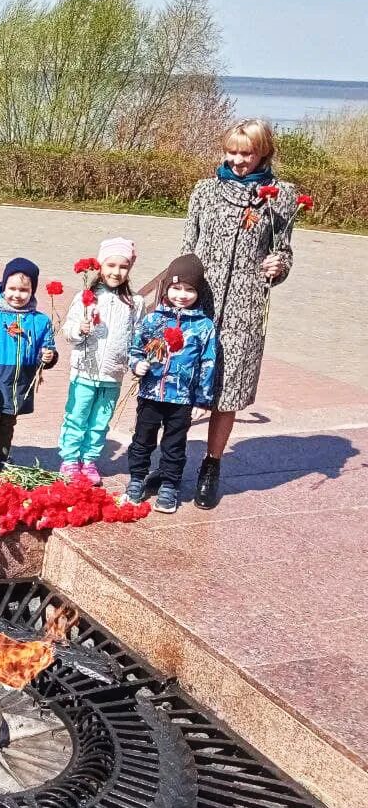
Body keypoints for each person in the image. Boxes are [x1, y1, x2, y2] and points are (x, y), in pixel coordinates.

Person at [180, 118, 298, 510]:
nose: (237, 160)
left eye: (245, 153)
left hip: (245, 307)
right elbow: (187, 247)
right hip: (199, 302)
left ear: (264, 152)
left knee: (227, 391)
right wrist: (176, 294)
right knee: (179, 382)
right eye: (231, 151)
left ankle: (211, 465)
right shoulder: (205, 191)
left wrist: (277, 265)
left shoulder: (280, 196)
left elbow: (283, 249)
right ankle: (169, 461)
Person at [124, 253, 218, 514]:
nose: (182, 294)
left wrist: (203, 399)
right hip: (151, 394)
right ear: (166, 288)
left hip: (182, 399)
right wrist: (137, 364)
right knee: (142, 440)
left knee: (174, 445)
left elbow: (208, 362)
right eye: (176, 288)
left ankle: (169, 485)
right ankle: (136, 479)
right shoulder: (153, 320)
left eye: (189, 289)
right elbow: (135, 348)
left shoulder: (203, 326)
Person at [58, 238, 144, 484]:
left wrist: (135, 361)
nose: (116, 272)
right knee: (77, 415)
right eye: (111, 265)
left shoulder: (134, 303)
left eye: (123, 266)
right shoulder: (87, 297)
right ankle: (70, 459)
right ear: (100, 266)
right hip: (85, 370)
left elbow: (138, 335)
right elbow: (68, 330)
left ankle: (89, 460)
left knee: (99, 421)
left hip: (113, 374)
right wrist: (79, 329)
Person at [0, 258, 58, 472]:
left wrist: (49, 357)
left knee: (8, 423)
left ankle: (2, 460)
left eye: (24, 289)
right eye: (11, 288)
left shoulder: (40, 321)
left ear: (32, 290)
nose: (17, 294)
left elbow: (47, 346)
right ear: (3, 287)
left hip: (20, 381)